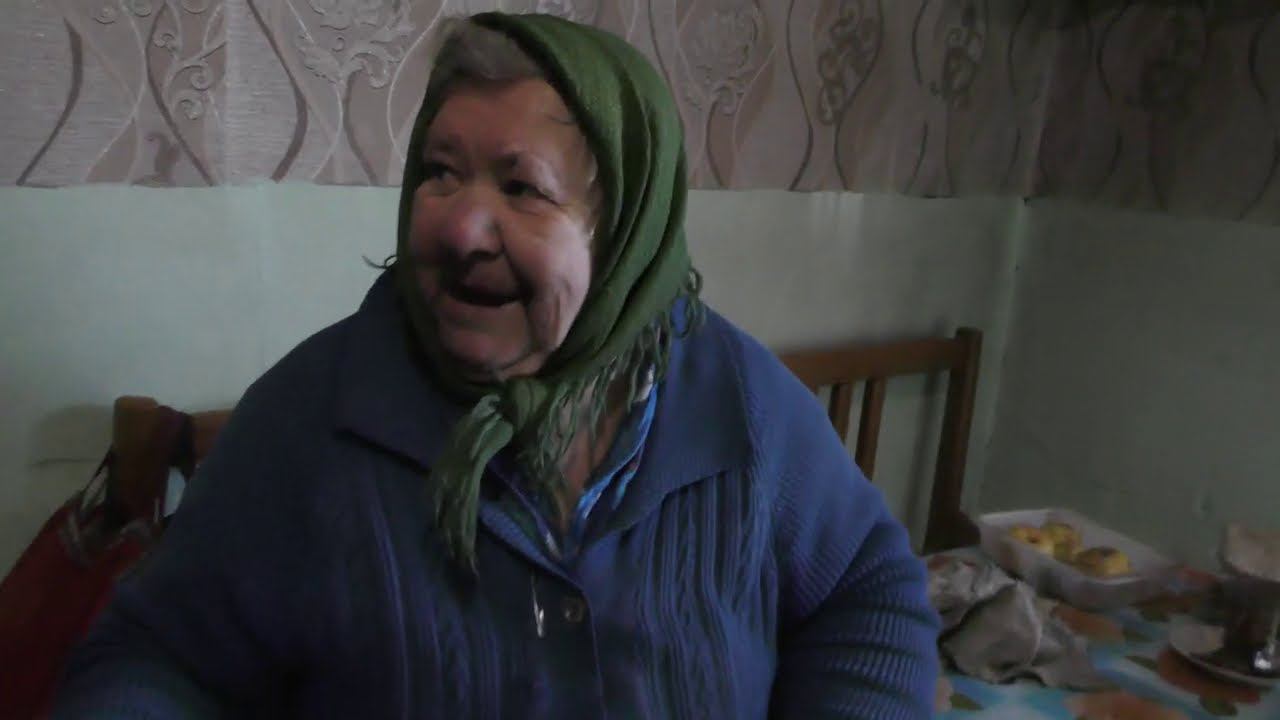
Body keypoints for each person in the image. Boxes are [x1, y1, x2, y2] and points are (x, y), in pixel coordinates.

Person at [55, 12, 939, 719]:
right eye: (441, 173)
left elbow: (870, 591)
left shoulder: (732, 394)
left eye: (521, 188)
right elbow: (151, 661)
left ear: (623, 233)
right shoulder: (310, 417)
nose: (459, 229)